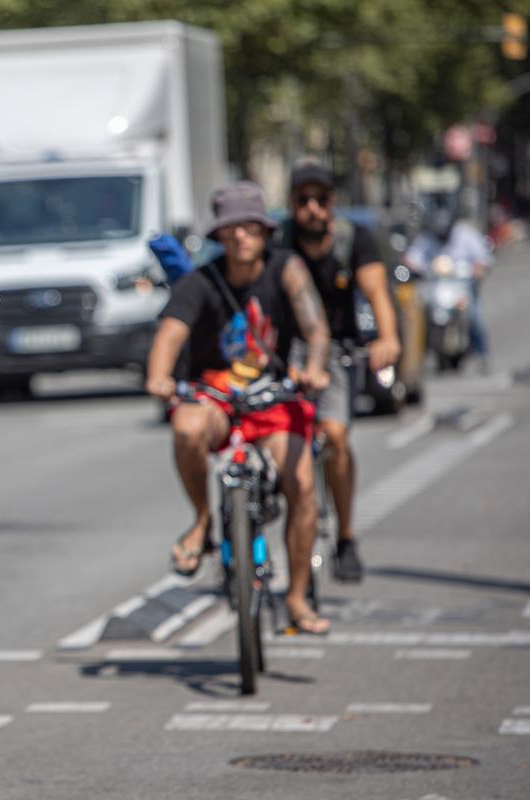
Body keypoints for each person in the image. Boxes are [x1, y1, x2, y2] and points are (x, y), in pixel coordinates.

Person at [145, 181, 332, 634]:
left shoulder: (286, 269)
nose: (241, 237)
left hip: (274, 396)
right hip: (217, 397)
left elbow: (316, 327)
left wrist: (314, 369)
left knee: (302, 484)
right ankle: (203, 523)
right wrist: (160, 377)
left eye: (250, 228)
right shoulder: (200, 282)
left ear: (265, 232)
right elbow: (170, 333)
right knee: (186, 429)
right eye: (231, 230)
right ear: (220, 237)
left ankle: (296, 598)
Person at [278, 161, 401, 583]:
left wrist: (387, 337)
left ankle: (345, 536)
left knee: (335, 437)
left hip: (337, 352)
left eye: (321, 200)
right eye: (303, 200)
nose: (313, 209)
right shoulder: (279, 243)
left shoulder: (354, 239)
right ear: (291, 204)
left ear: (333, 203)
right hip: (286, 353)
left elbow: (377, 292)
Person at [405, 204, 494, 372]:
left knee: (474, 316)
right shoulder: (428, 237)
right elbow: (413, 258)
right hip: (437, 285)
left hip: (461, 285)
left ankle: (482, 355)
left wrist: (477, 269)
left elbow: (483, 258)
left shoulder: (465, 234)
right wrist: (414, 267)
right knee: (418, 313)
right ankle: (420, 355)